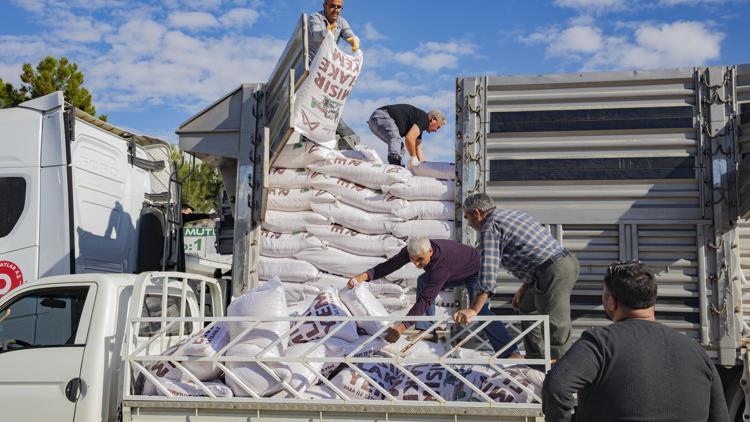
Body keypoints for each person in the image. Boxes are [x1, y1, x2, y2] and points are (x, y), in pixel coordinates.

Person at [542, 261, 729, 422]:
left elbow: (557, 387)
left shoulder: (599, 343)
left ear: (611, 302)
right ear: (653, 299)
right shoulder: (696, 351)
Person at [454, 193, 579, 360]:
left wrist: (474, 309)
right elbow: (532, 252)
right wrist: (524, 287)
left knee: (556, 324)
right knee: (526, 307)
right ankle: (537, 361)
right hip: (557, 266)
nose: (468, 223)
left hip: (554, 271)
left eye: (468, 217)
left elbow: (488, 269)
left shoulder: (490, 227)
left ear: (477, 213)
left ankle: (561, 374)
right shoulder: (511, 214)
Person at [348, 236, 519, 357]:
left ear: (429, 251)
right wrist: (363, 276)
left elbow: (426, 300)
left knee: (480, 311)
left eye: (420, 260)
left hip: (476, 270)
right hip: (457, 270)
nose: (416, 264)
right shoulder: (412, 251)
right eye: (413, 260)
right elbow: (389, 266)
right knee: (423, 279)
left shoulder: (440, 266)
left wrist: (401, 327)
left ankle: (511, 352)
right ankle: (427, 330)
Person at [308, 0, 360, 148]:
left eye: (339, 8)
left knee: (328, 104)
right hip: (312, 69)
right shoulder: (316, 18)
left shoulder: (341, 22)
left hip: (326, 72)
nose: (335, 10)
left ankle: (338, 133)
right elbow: (315, 35)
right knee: (317, 104)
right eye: (332, 6)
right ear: (325, 5)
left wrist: (353, 41)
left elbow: (349, 34)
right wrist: (327, 32)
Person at [367, 104, 445, 166]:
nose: (436, 131)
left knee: (400, 147)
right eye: (438, 127)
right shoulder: (424, 119)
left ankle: (397, 165)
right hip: (382, 116)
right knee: (396, 141)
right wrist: (413, 158)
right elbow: (409, 138)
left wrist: (424, 167)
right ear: (433, 119)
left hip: (374, 121)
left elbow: (418, 149)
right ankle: (394, 161)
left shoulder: (418, 126)